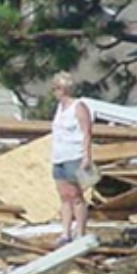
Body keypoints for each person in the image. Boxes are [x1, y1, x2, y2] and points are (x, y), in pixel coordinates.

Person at [49, 71, 93, 245]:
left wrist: (86, 156)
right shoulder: (59, 109)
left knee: (76, 196)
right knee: (64, 196)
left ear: (63, 89)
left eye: (56, 89)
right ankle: (65, 233)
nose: (54, 92)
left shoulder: (79, 106)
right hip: (59, 156)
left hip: (74, 156)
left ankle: (81, 233)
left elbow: (86, 132)